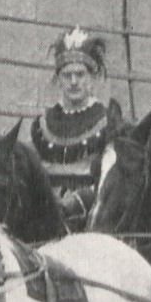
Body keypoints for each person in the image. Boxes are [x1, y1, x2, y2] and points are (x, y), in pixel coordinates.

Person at [28, 26, 124, 232]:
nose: (73, 82)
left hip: (94, 218)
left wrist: (77, 202)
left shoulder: (107, 121)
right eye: (67, 75)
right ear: (59, 79)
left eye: (80, 75)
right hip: (47, 218)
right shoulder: (41, 125)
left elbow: (113, 180)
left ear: (91, 77)